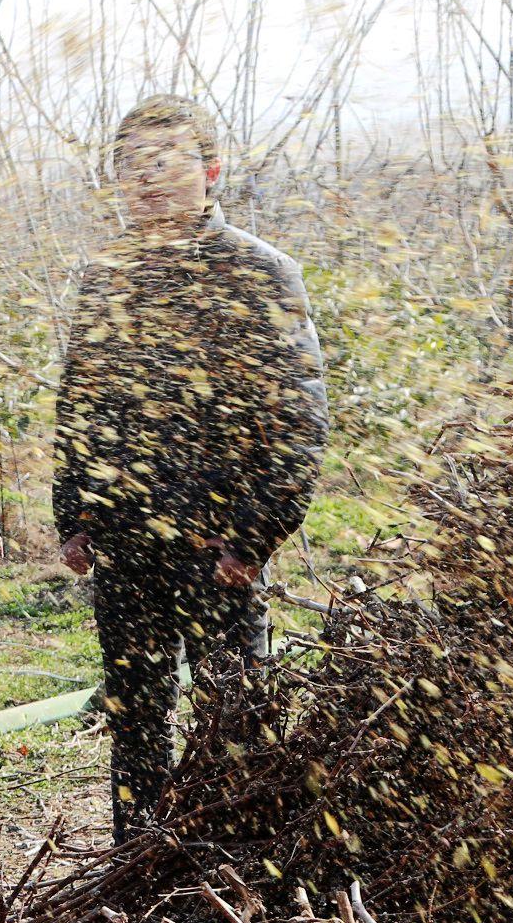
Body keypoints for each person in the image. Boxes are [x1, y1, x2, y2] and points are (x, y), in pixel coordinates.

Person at [52, 96, 327, 841]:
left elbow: (298, 419)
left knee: (233, 719)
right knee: (135, 720)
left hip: (219, 549)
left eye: (167, 164)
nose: (150, 183)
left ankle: (238, 874)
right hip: (126, 542)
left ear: (209, 170)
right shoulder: (108, 275)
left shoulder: (259, 271)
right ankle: (139, 864)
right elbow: (82, 403)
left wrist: (254, 536)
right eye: (133, 170)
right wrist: (75, 517)